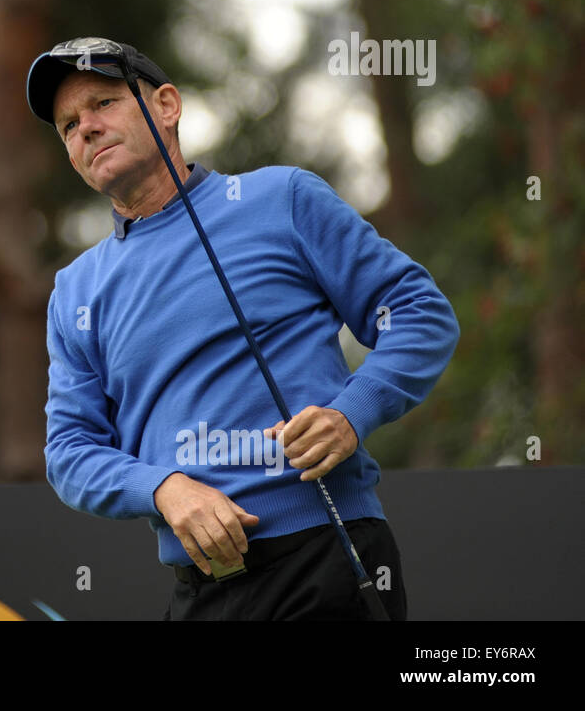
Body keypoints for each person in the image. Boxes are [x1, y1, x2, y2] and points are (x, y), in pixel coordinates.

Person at [26, 37, 460, 620]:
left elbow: (416, 310)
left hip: (328, 559)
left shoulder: (282, 198)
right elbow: (70, 450)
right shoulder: (74, 290)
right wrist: (163, 488)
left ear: (167, 106)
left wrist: (351, 412)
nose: (86, 129)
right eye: (68, 126)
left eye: (103, 103)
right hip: (202, 590)